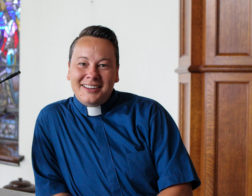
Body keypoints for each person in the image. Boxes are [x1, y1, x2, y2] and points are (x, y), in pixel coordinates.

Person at [32, 25, 200, 196]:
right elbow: (52, 189)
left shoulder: (149, 114)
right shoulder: (51, 120)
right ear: (69, 70)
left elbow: (179, 187)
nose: (92, 74)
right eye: (82, 64)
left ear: (117, 72)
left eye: (103, 65)